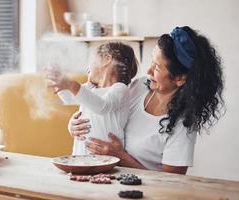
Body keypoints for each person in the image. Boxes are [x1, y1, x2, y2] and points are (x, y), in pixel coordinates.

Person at [68, 26, 224, 174]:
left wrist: (120, 157)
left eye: (156, 67)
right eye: (151, 62)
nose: (148, 71)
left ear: (180, 78)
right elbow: (102, 108)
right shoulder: (138, 86)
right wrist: (75, 125)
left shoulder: (183, 123)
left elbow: (172, 182)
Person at [46, 42, 138, 155]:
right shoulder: (90, 88)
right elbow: (68, 98)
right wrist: (58, 79)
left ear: (107, 58)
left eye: (91, 60)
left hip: (106, 161)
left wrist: (71, 85)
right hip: (80, 156)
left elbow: (102, 106)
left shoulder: (120, 89)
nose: (87, 68)